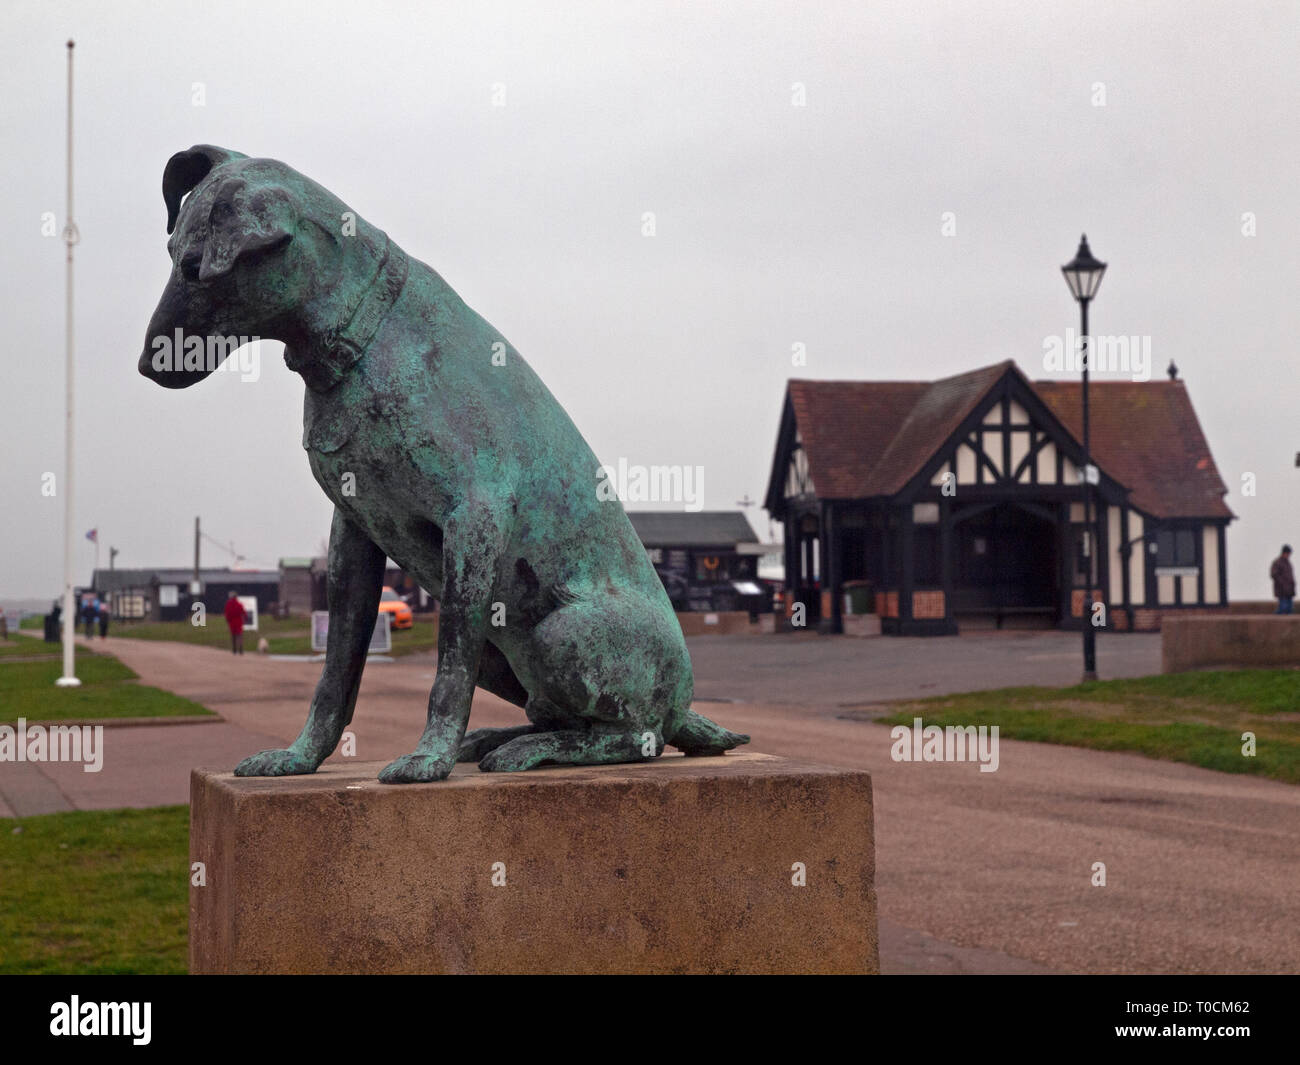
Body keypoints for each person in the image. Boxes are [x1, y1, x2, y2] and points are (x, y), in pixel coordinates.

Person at [1270, 545, 1295, 614]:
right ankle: (1274, 619)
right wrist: (1283, 583)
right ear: (1284, 553)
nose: (1289, 555)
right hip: (1282, 590)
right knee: (1283, 608)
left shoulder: (1288, 563)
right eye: (1288, 553)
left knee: (1289, 609)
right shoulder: (1277, 562)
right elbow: (1274, 575)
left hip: (1289, 591)